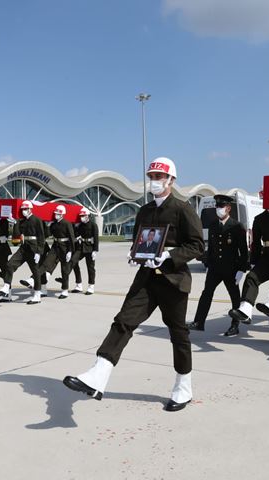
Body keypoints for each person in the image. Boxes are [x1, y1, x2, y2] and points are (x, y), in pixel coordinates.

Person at [63, 157, 204, 412]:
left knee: (178, 334)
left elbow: (197, 245)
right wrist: (134, 254)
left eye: (159, 177)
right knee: (123, 322)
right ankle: (98, 376)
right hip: (146, 279)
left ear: (171, 180)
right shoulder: (145, 210)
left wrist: (169, 256)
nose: (154, 181)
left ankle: (183, 387)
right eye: (151, 176)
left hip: (173, 281)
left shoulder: (183, 209)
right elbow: (139, 240)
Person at [228, 204, 269, 346]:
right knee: (252, 277)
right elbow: (256, 243)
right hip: (268, 256)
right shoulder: (259, 218)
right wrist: (253, 262)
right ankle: (246, 308)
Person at [187, 194, 248, 335]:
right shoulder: (213, 225)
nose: (218, 209)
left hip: (231, 269)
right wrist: (208, 264)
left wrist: (241, 270)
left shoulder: (237, 226)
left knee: (234, 297)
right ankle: (199, 322)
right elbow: (213, 248)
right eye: (217, 206)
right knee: (206, 294)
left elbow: (243, 251)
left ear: (228, 208)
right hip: (215, 268)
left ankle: (235, 325)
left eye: (221, 206)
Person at [0, 200, 46, 304]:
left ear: (30, 209)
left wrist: (39, 252)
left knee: (35, 271)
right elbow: (17, 236)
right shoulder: (22, 221)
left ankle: (37, 295)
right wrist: (15, 223)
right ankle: (6, 286)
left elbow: (42, 237)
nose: (23, 211)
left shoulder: (37, 220)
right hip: (23, 248)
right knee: (10, 264)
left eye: (25, 209)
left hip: (33, 248)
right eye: (22, 209)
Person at [35, 205, 75, 299]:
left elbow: (71, 238)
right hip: (55, 247)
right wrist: (48, 225)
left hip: (65, 248)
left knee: (64, 270)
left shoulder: (67, 223)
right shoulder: (54, 223)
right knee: (46, 263)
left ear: (62, 214)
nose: (56, 215)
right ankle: (34, 279)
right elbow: (48, 235)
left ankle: (64, 290)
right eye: (55, 213)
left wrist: (70, 251)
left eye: (58, 214)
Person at [67, 207, 99, 294]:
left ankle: (91, 286)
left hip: (90, 248)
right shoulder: (80, 225)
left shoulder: (93, 225)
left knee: (90, 268)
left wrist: (95, 250)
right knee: (73, 261)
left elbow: (96, 238)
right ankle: (78, 285)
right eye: (81, 216)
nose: (82, 217)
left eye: (84, 215)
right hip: (81, 247)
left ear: (88, 216)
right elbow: (75, 234)